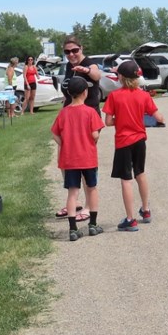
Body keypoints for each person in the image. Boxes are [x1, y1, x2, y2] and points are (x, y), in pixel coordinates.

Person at [102, 60, 164, 232]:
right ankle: (145, 210)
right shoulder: (143, 95)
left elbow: (107, 122)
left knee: (126, 179)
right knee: (140, 173)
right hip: (139, 140)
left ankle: (130, 219)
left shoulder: (114, 96)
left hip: (123, 141)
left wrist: (120, 119)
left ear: (120, 77)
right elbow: (159, 117)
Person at [50, 76, 105, 241]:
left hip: (69, 159)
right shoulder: (90, 112)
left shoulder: (64, 112)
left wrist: (65, 143)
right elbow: (95, 134)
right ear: (85, 92)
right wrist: (93, 140)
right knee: (91, 188)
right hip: (87, 158)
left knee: (72, 193)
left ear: (68, 94)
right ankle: (93, 225)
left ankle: (73, 229)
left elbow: (55, 134)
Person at [61, 36, 102, 114]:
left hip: (88, 115)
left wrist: (87, 70)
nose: (71, 54)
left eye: (75, 50)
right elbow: (67, 94)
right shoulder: (69, 65)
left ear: (81, 48)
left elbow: (97, 76)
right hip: (71, 114)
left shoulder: (89, 63)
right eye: (67, 51)